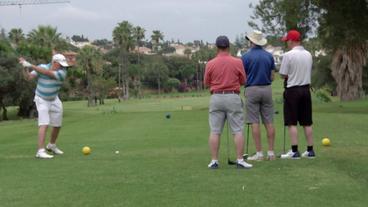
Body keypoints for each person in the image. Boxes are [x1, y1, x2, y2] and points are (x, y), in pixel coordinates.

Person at [204, 35, 252, 169]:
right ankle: (240, 160)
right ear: (229, 46)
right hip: (233, 96)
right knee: (237, 130)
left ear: (217, 47)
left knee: (215, 131)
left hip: (216, 97)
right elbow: (243, 81)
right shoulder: (237, 62)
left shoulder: (210, 63)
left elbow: (206, 82)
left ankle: (214, 161)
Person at [19, 53, 69, 159]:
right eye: (60, 64)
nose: (62, 66)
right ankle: (40, 151)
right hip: (41, 99)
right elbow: (28, 78)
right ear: (54, 62)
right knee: (44, 123)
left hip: (54, 99)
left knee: (57, 124)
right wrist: (25, 67)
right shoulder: (41, 67)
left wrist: (31, 65)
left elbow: (47, 73)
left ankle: (51, 145)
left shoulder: (62, 72)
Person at [279, 30, 315, 159]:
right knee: (307, 122)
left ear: (291, 41)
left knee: (292, 122)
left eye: (287, 41)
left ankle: (294, 151)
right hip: (306, 90)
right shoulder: (308, 54)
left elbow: (283, 74)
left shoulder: (288, 55)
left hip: (293, 90)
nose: (287, 43)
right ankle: (310, 150)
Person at [241, 30, 276, 161]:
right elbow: (272, 76)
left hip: (252, 89)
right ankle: (271, 152)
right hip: (267, 89)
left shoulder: (245, 57)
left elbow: (242, 77)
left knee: (254, 121)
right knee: (269, 121)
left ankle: (259, 153)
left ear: (251, 42)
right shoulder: (269, 56)